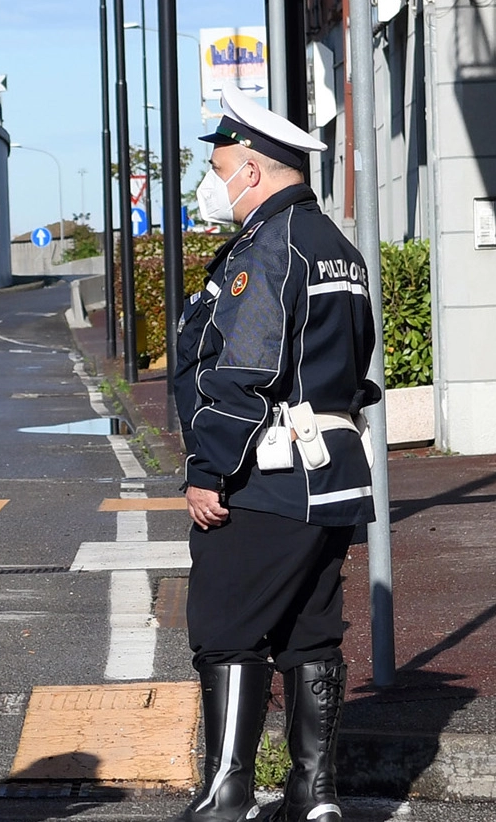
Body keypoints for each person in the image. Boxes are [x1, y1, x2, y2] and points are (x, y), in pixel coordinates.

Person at [171, 86, 378, 822]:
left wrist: (207, 470)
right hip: (333, 476)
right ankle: (313, 797)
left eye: (221, 165)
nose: (214, 181)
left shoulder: (268, 249)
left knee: (227, 631)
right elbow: (355, 369)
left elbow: (243, 371)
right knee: (309, 631)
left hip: (268, 472)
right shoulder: (338, 248)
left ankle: (226, 794)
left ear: (252, 171)